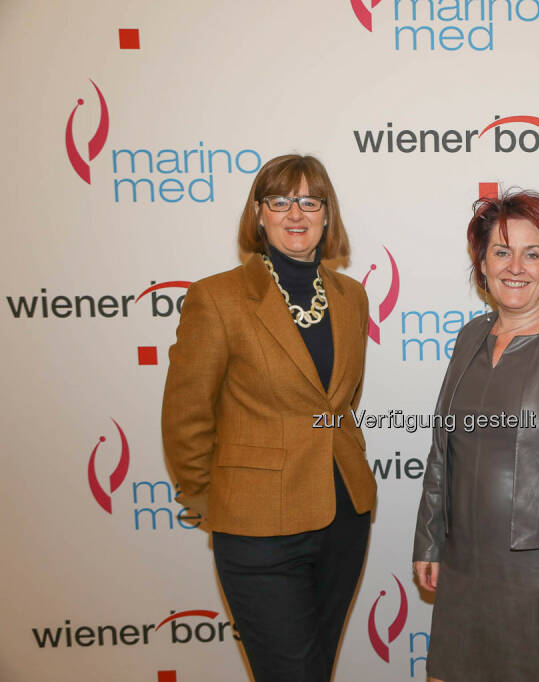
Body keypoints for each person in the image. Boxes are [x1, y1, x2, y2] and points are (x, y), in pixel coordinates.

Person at [161, 154, 375, 682]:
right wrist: (218, 500)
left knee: (317, 668)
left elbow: (340, 405)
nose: (295, 213)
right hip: (256, 527)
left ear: (328, 214)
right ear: (259, 214)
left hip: (343, 515)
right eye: (279, 200)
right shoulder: (218, 297)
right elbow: (186, 416)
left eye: (309, 200)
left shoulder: (351, 297)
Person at [412, 190, 539, 682]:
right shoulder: (470, 337)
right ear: (481, 264)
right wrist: (428, 540)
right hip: (462, 562)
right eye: (501, 251)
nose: (516, 267)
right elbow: (443, 450)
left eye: (533, 253)